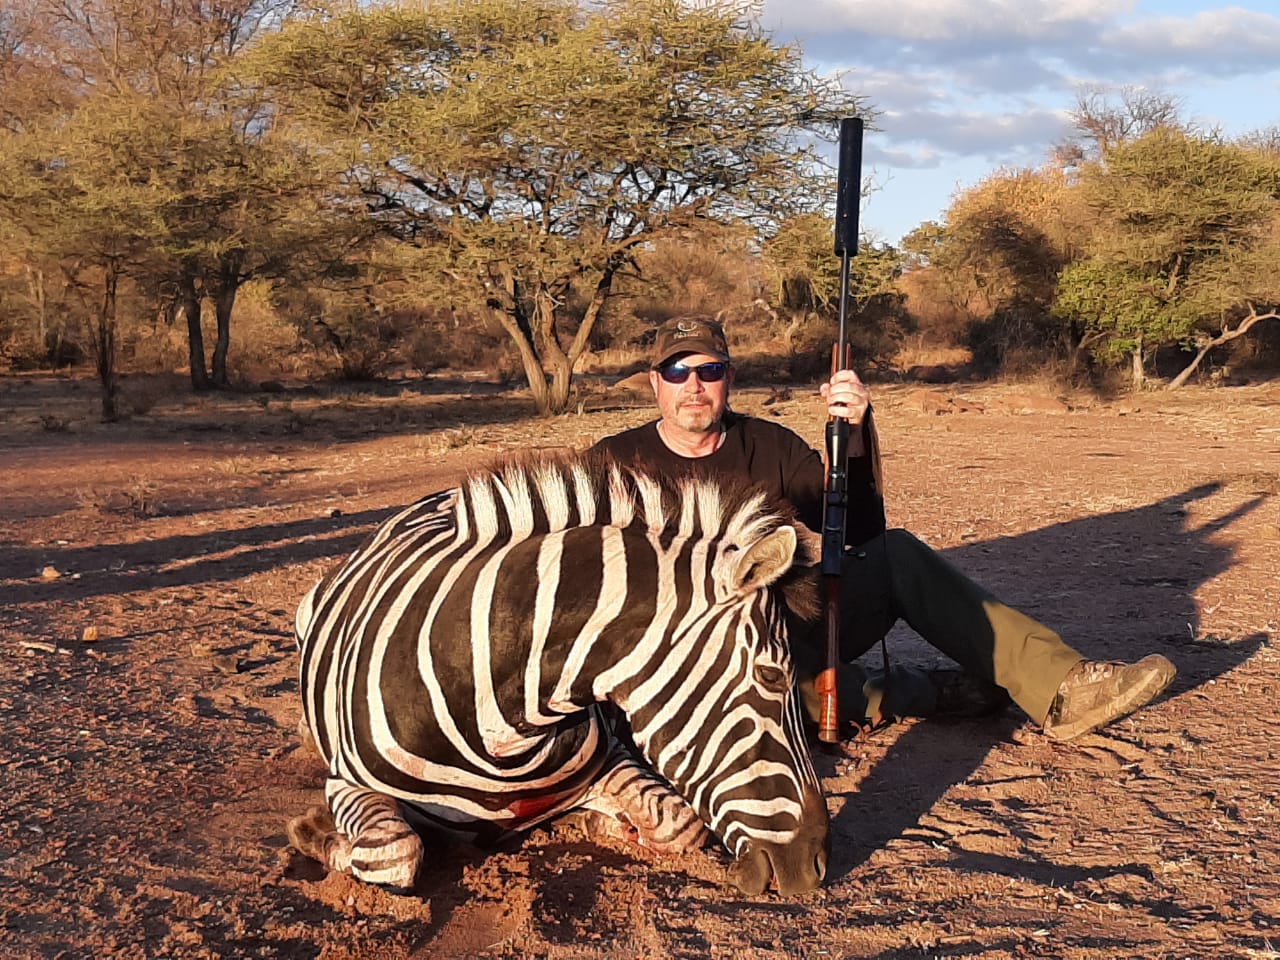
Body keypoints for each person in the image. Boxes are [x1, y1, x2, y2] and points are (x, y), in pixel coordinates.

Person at [591, 316, 1176, 742]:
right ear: (655, 381)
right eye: (677, 371)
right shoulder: (612, 463)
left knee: (895, 555)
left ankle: (1062, 688)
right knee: (774, 705)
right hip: (674, 656)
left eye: (709, 370)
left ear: (729, 378)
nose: (694, 384)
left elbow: (859, 530)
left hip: (786, 626)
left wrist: (857, 436)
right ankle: (919, 692)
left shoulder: (770, 445)